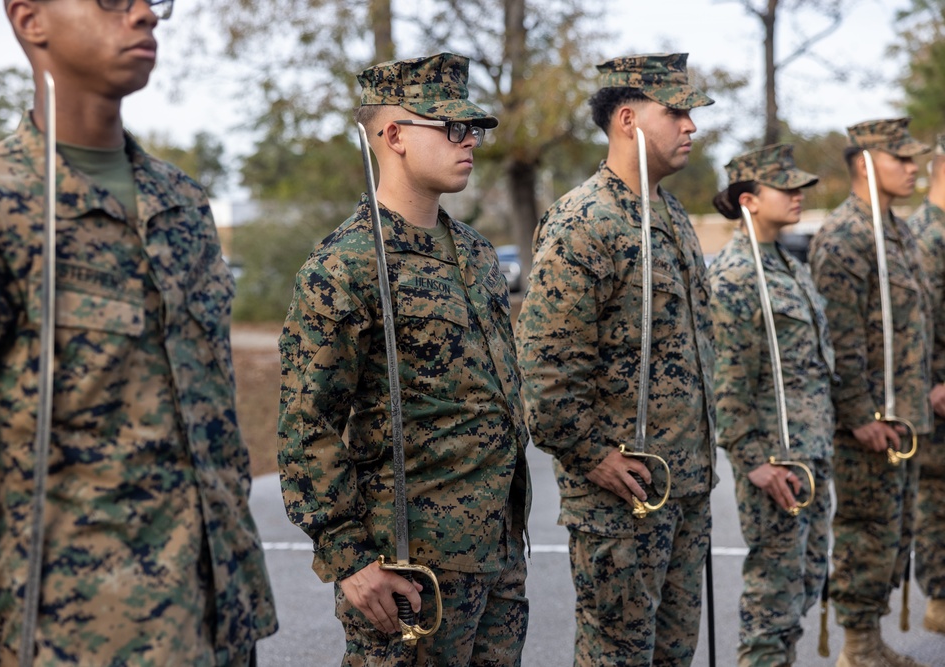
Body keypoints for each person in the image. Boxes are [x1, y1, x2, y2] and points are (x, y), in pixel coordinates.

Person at [0, 0, 278, 664]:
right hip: (75, 640)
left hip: (221, 628)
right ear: (30, 19)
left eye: (153, 0)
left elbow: (214, 426)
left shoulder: (181, 205)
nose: (145, 16)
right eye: (111, 0)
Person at [277, 53, 531, 666]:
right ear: (392, 135)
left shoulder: (473, 252)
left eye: (473, 128)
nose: (469, 140)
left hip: (496, 549)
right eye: (451, 127)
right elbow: (305, 424)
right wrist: (350, 559)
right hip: (412, 568)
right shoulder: (348, 265)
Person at [516, 53, 716, 666]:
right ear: (628, 119)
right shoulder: (586, 221)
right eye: (676, 112)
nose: (691, 126)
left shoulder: (673, 216)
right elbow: (544, 369)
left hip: (682, 486)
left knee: (671, 655)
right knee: (618, 658)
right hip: (622, 500)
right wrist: (591, 455)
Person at [809, 118, 932, 667]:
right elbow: (839, 335)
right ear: (863, 164)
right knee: (865, 532)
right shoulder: (845, 235)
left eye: (913, 159)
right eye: (900, 159)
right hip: (871, 423)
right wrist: (859, 414)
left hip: (903, 416)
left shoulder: (896, 229)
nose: (913, 168)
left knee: (896, 530)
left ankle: (871, 640)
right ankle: (856, 646)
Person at [709, 145, 836, 667]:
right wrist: (754, 461)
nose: (798, 195)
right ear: (750, 200)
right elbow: (728, 380)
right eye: (786, 188)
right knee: (773, 595)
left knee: (805, 580)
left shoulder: (787, 263)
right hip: (776, 459)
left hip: (811, 449)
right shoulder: (736, 276)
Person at [905, 134, 945, 637]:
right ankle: (940, 596)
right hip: (936, 393)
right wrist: (935, 378)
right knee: (936, 495)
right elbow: (921, 319)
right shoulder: (924, 235)